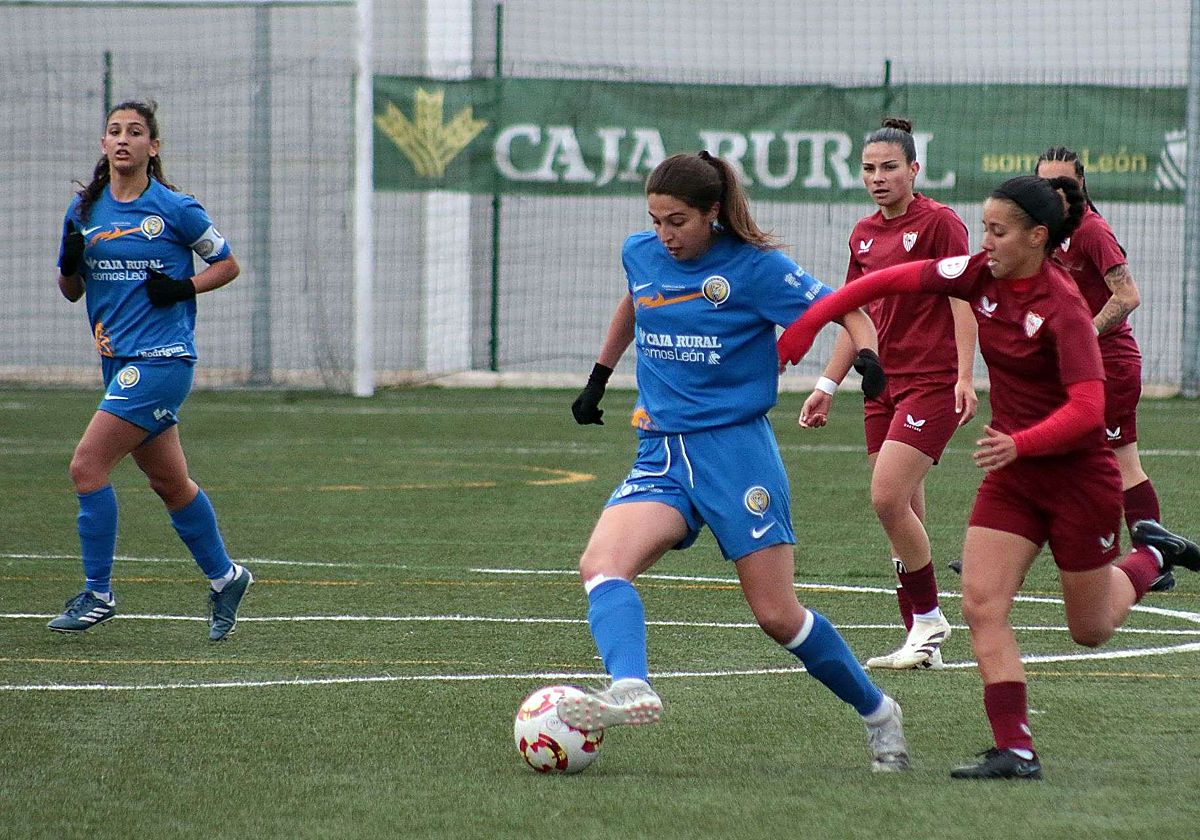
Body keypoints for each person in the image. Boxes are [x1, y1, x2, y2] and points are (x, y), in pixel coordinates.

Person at [777, 174, 1200, 779]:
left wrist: (1021, 441)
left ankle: (1154, 556)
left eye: (998, 232)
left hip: (1079, 479)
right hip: (1014, 476)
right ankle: (1016, 750)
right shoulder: (980, 273)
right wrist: (809, 323)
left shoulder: (1064, 309)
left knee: (1091, 628)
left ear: (1036, 236)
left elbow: (1087, 410)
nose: (986, 241)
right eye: (983, 229)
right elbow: (885, 281)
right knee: (981, 602)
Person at [560, 151, 910, 773]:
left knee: (778, 617)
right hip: (661, 452)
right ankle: (630, 686)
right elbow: (636, 302)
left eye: (678, 222)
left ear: (712, 214)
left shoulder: (755, 269)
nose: (664, 235)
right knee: (601, 563)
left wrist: (867, 355)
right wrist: (598, 377)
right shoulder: (642, 253)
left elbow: (846, 307)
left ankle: (879, 713)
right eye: (656, 220)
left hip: (736, 455)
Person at [49, 100, 252, 642]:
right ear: (103, 144)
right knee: (169, 482)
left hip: (161, 361)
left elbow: (227, 264)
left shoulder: (175, 208)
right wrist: (71, 261)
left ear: (152, 147)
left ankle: (97, 594)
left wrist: (184, 286)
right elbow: (71, 291)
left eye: (134, 132)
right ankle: (226, 577)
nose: (122, 140)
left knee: (86, 467)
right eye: (113, 131)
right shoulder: (84, 210)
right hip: (116, 362)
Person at [800, 118, 976, 670]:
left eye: (889, 167)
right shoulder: (862, 233)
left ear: (914, 170)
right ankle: (920, 644)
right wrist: (827, 384)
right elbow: (855, 316)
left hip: (931, 382)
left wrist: (966, 376)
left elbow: (962, 299)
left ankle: (929, 621)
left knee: (885, 497)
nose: (878, 177)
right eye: (869, 168)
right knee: (902, 511)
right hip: (883, 386)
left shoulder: (940, 223)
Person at [1034, 145, 1179, 592]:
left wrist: (1084, 335)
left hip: (1109, 365)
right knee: (1046, 457)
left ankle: (1156, 560)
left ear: (1082, 187)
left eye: (1067, 186)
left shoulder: (1091, 230)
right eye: (1047, 186)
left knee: (1120, 463)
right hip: (1073, 367)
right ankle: (1008, 549)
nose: (1058, 194)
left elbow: (1128, 295)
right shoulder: (1044, 233)